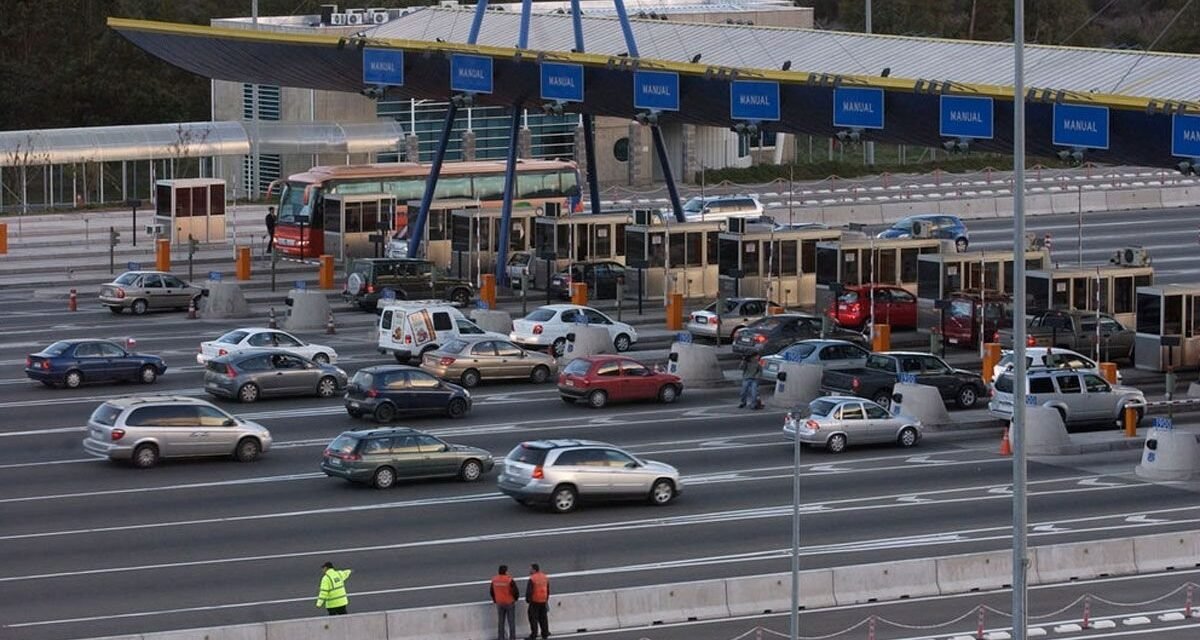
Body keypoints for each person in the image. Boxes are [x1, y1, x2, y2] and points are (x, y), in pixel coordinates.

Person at [490, 564, 520, 640]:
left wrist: (495, 600)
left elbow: (491, 591)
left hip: (499, 603)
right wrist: (515, 599)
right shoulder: (509, 579)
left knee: (501, 622)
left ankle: (501, 637)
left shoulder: (494, 579)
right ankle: (512, 638)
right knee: (511, 622)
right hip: (509, 602)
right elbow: (515, 591)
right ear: (506, 571)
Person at [525, 563, 551, 640]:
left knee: (533, 618)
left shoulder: (532, 578)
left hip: (535, 601)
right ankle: (545, 633)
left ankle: (534, 634)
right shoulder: (544, 577)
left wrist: (528, 600)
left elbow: (529, 591)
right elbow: (548, 589)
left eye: (530, 569)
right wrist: (546, 599)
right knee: (543, 618)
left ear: (534, 570)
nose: (529, 570)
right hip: (543, 600)